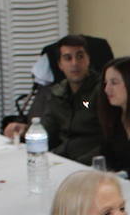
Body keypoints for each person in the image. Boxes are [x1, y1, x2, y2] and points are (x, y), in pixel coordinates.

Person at [20, 35, 103, 163]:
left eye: (80, 56)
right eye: (68, 58)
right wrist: (24, 131)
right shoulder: (58, 93)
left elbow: (109, 140)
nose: (74, 63)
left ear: (88, 60)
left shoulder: (102, 91)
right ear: (60, 65)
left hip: (90, 163)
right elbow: (47, 131)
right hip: (62, 158)